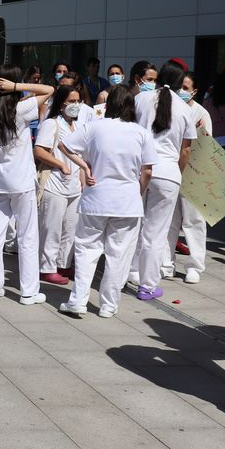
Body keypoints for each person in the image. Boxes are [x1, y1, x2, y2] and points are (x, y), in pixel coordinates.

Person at [59, 85, 156, 317]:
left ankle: (78, 300)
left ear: (109, 104)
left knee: (86, 251)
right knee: (118, 254)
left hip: (96, 198)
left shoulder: (94, 127)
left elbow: (64, 145)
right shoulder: (141, 133)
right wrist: (138, 192)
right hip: (127, 201)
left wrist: (84, 166)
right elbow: (148, 170)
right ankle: (109, 305)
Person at [0, 65, 54, 304]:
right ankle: (28, 292)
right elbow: (49, 90)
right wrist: (18, 87)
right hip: (21, 182)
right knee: (27, 236)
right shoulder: (21, 109)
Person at [128, 61, 197, 300]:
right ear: (180, 84)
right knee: (156, 232)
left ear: (157, 79)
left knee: (132, 225)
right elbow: (186, 149)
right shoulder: (185, 108)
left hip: (139, 169)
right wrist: (177, 171)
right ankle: (147, 285)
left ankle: (128, 272)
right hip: (168, 173)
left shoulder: (141, 99)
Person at [162, 71, 212, 283]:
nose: (181, 91)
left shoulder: (201, 113)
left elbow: (206, 145)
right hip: (171, 170)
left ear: (194, 91)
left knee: (194, 221)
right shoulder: (169, 108)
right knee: (169, 220)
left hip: (193, 173)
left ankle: (194, 266)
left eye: (186, 88)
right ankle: (166, 263)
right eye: (179, 87)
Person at [34, 85, 82, 285]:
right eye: (71, 101)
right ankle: (46, 268)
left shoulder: (77, 126)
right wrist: (60, 164)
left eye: (78, 101)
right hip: (54, 183)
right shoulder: (51, 124)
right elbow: (39, 150)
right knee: (51, 228)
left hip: (74, 186)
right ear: (61, 103)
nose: (76, 105)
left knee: (70, 228)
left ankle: (63, 264)